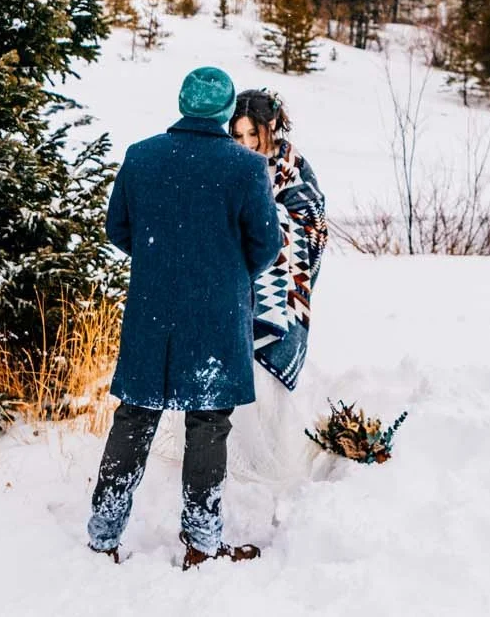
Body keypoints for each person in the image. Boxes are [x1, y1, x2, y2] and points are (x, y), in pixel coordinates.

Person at [87, 66, 280, 568]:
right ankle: (201, 542)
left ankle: (104, 533)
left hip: (152, 310)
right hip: (215, 316)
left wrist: (160, 264)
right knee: (208, 424)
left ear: (182, 102)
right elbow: (265, 247)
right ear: (224, 111)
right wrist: (224, 271)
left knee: (134, 415)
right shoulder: (244, 168)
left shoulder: (141, 156)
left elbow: (118, 229)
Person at [227, 89, 329, 481]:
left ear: (271, 128)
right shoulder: (229, 163)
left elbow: (313, 223)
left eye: (254, 134)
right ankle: (231, 462)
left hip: (282, 294)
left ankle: (268, 466)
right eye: (239, 135)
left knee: (266, 383)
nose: (248, 144)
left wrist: (269, 223)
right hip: (235, 287)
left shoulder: (293, 167)